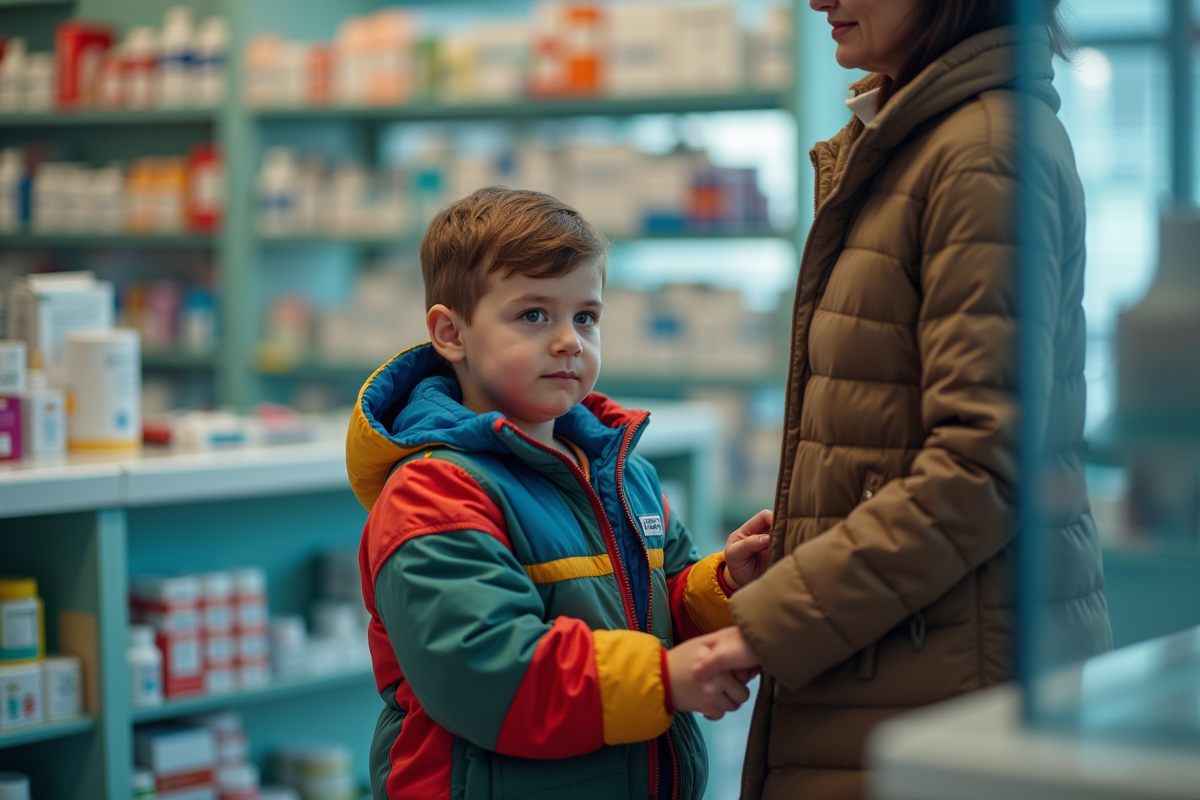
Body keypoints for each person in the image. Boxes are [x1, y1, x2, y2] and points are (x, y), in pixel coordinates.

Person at [691, 1, 1113, 798]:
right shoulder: (914, 142)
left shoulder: (984, 151)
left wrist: (763, 628)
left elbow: (982, 468)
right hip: (898, 666)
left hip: (943, 684)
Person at [346, 187, 772, 800]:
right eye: (533, 315)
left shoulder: (623, 474)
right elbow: (486, 671)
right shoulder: (434, 492)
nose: (570, 340)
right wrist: (661, 680)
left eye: (586, 317)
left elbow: (659, 608)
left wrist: (725, 585)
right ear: (451, 332)